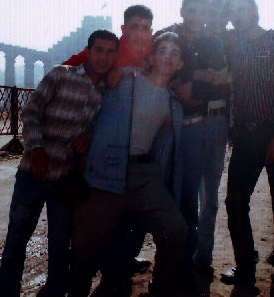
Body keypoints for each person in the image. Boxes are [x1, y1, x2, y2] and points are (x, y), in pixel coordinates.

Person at [0, 30, 119, 297]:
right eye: (99, 50)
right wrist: (36, 147)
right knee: (16, 242)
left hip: (65, 180)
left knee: (60, 246)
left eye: (111, 52)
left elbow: (106, 127)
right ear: (89, 51)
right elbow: (31, 112)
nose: (104, 57)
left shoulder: (108, 93)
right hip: (32, 173)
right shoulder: (61, 74)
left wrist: (91, 136)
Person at [69, 32, 188, 297]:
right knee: (86, 244)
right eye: (163, 50)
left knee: (176, 230)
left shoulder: (173, 104)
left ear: (180, 64)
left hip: (145, 175)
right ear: (153, 56)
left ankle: (161, 289)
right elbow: (93, 105)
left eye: (175, 53)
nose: (168, 56)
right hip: (108, 171)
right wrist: (88, 135)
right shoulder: (125, 81)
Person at [220, 0, 274, 289]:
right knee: (235, 201)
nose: (238, 15)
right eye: (233, 10)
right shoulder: (231, 46)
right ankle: (244, 266)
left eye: (243, 8)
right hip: (245, 136)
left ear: (254, 9)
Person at [158, 0, 230, 283]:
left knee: (204, 194)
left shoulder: (213, 41)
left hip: (208, 122)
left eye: (202, 12)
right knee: (176, 192)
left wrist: (193, 84)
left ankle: (200, 257)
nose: (197, 17)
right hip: (176, 124)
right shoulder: (169, 38)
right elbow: (166, 76)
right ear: (182, 11)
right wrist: (200, 77)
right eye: (192, 11)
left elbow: (223, 81)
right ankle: (175, 259)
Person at [63, 4, 153, 86]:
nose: (139, 34)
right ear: (123, 29)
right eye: (134, 27)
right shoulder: (107, 48)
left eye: (145, 28)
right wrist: (106, 78)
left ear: (151, 32)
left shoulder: (156, 52)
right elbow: (63, 71)